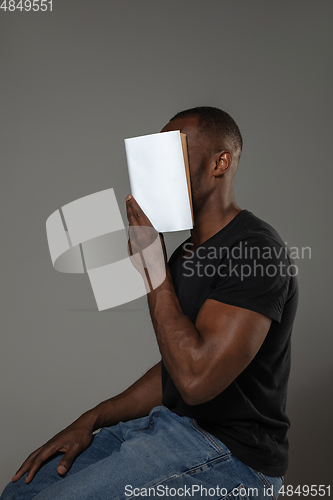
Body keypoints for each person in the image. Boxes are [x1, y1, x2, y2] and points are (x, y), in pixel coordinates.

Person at [1, 107, 298, 500]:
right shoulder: (185, 254)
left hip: (233, 456)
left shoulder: (256, 251)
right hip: (171, 425)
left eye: (174, 153)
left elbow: (194, 380)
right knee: (19, 493)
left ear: (220, 163)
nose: (160, 168)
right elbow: (175, 369)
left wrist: (153, 270)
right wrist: (90, 419)